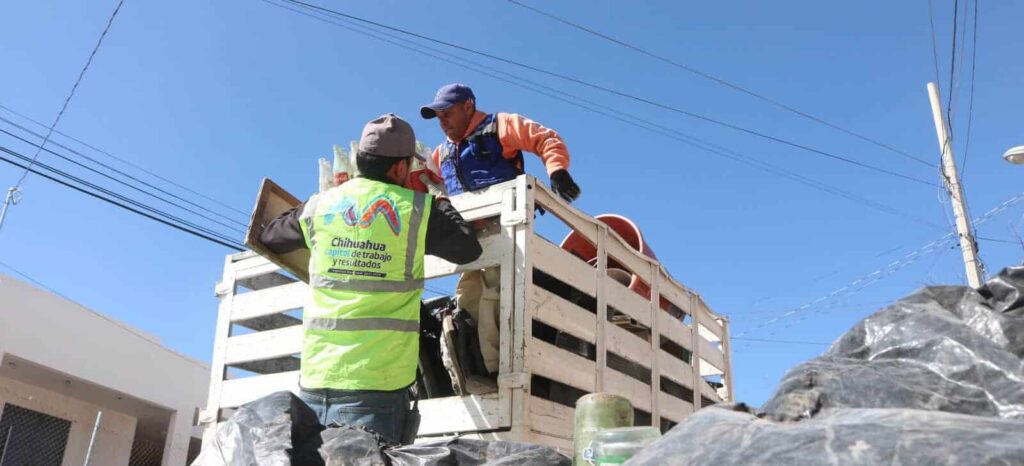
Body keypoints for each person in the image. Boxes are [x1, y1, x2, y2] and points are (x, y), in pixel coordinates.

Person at [259, 113, 482, 444]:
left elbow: (271, 235)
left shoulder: (321, 206)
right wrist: (441, 198)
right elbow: (467, 248)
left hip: (316, 379)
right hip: (377, 386)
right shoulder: (416, 210)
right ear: (399, 168)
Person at [419, 83, 582, 389]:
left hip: (503, 227)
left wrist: (557, 169)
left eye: (448, 113)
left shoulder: (500, 125)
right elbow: (432, 183)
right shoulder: (441, 153)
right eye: (438, 116)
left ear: (468, 106)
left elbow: (544, 138)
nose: (442, 122)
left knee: (497, 294)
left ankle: (497, 371)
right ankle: (472, 370)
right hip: (465, 236)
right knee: (467, 297)